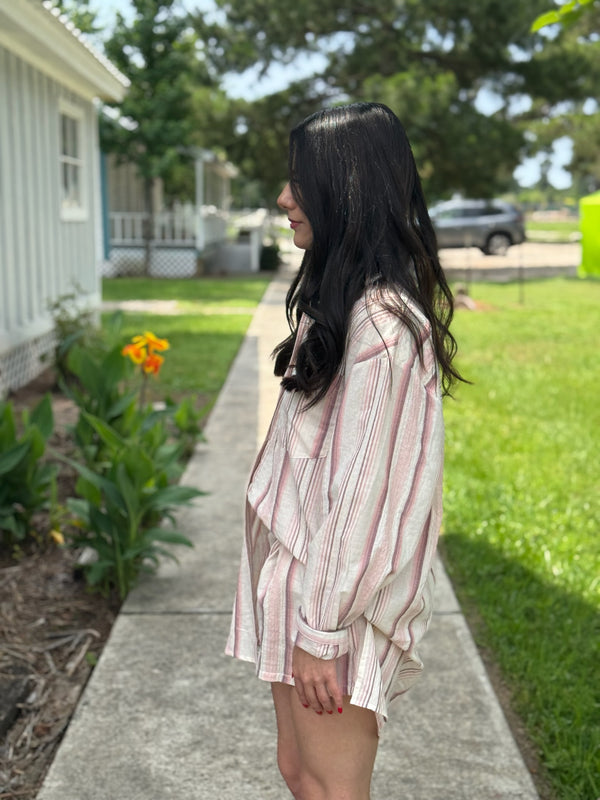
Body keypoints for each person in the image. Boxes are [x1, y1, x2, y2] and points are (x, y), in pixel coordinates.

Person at [226, 101, 464, 800]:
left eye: (300, 182)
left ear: (348, 190)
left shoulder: (382, 328)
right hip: (296, 582)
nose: (283, 198)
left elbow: (363, 502)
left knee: (332, 788)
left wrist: (321, 633)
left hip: (331, 606)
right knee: (300, 773)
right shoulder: (339, 307)